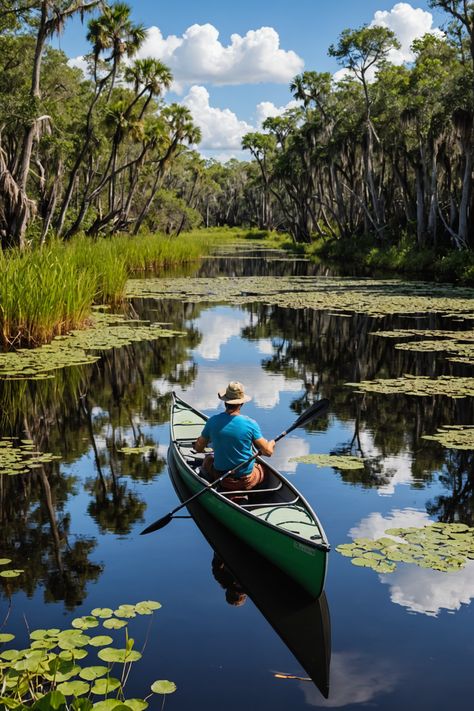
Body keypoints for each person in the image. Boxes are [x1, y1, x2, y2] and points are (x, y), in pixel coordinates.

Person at [194, 381, 275, 499]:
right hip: (247, 480)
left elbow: (199, 448)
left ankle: (218, 489)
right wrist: (271, 443)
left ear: (225, 402)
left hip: (222, 478)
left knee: (208, 459)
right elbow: (268, 452)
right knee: (263, 469)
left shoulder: (212, 421)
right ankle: (256, 495)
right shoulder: (251, 424)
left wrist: (198, 444)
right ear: (241, 403)